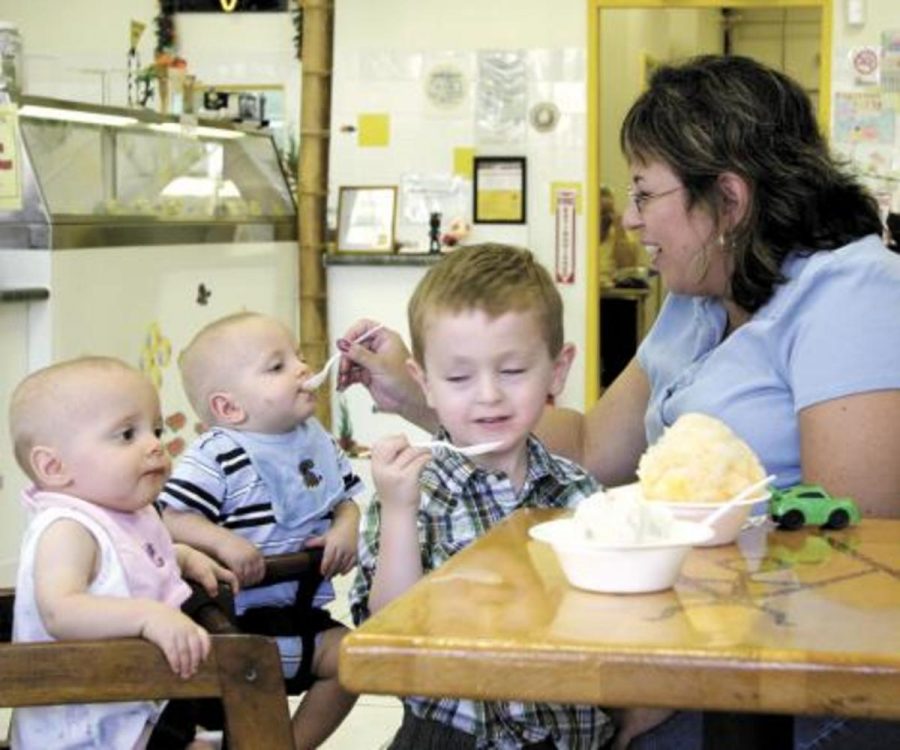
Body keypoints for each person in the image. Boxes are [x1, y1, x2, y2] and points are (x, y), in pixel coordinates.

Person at [337, 55, 900, 748]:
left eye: (643, 193)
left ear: (727, 198)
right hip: (680, 634)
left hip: (791, 670)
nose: (630, 221)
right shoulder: (701, 296)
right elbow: (593, 450)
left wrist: (663, 653)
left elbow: (854, 541)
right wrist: (422, 395)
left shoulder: (854, 291)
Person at [349, 242, 674, 749]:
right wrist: (397, 510)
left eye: (513, 371)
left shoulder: (577, 492)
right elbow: (392, 637)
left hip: (568, 736)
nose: (488, 395)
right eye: (459, 376)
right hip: (451, 735)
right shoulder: (415, 490)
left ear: (557, 371)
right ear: (424, 383)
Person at [7, 356, 237, 750]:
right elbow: (60, 610)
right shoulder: (67, 528)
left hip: (137, 707)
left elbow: (129, 559)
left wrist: (180, 555)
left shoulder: (128, 513)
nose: (155, 445)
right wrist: (149, 617)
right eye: (127, 435)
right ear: (54, 466)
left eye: (157, 430)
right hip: (83, 730)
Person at [157, 311, 361, 750]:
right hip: (232, 626)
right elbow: (171, 517)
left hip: (299, 615)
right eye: (277, 365)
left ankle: (285, 745)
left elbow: (344, 501)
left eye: (298, 356)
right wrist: (223, 542)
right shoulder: (215, 456)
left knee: (355, 660)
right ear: (229, 407)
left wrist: (346, 528)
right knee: (230, 710)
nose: (302, 368)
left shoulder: (316, 439)